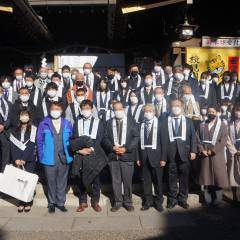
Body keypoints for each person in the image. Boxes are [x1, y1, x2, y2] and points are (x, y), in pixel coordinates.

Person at [102, 101, 139, 212]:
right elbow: (104, 138)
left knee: (127, 181)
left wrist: (126, 149)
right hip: (113, 157)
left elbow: (136, 137)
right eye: (115, 109)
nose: (118, 111)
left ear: (123, 109)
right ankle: (117, 202)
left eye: (120, 109)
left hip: (127, 156)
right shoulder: (108, 123)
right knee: (116, 181)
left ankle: (128, 202)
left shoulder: (131, 122)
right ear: (113, 111)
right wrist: (112, 147)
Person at [71, 100, 107, 212]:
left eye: (87, 108)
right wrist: (80, 150)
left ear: (91, 109)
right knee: (81, 178)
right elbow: (74, 138)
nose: (85, 110)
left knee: (95, 178)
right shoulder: (77, 122)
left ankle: (95, 201)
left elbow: (100, 138)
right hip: (81, 154)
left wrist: (90, 149)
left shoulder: (98, 122)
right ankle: (83, 202)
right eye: (83, 108)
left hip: (94, 153)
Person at [161, 98, 197, 209]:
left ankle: (182, 199)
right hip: (170, 154)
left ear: (182, 107)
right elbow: (163, 139)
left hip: (185, 153)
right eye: (173, 105)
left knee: (184, 178)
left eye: (178, 105)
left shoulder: (188, 120)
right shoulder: (165, 120)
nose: (175, 108)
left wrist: (193, 150)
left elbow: (192, 137)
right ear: (170, 107)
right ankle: (172, 200)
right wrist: (163, 156)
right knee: (171, 178)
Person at [37, 101, 73, 213]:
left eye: (58, 109)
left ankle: (60, 203)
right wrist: (41, 155)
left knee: (62, 181)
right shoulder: (44, 123)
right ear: (49, 110)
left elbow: (71, 139)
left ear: (62, 111)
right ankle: (52, 203)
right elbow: (39, 141)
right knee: (51, 181)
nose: (55, 111)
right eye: (53, 109)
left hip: (64, 157)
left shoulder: (67, 123)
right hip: (49, 157)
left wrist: (70, 155)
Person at [197, 105, 229, 207]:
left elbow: (223, 140)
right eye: (209, 112)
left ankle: (218, 198)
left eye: (213, 112)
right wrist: (201, 150)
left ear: (217, 113)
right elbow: (197, 139)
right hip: (205, 154)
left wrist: (214, 150)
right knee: (206, 176)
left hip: (217, 154)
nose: (211, 113)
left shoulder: (222, 125)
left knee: (217, 175)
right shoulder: (202, 125)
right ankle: (208, 197)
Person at [137, 104, 166, 212]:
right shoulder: (141, 125)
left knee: (158, 181)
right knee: (146, 181)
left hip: (157, 158)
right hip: (144, 157)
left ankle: (159, 202)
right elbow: (138, 143)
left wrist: (163, 158)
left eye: (149, 111)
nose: (147, 113)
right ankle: (148, 201)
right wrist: (138, 157)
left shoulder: (161, 124)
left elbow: (164, 142)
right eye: (145, 111)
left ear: (154, 112)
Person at [10, 109, 37, 212]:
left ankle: (28, 202)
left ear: (29, 117)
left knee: (28, 182)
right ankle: (21, 202)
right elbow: (12, 145)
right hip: (17, 160)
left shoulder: (33, 129)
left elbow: (31, 145)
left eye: (26, 115)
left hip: (28, 160)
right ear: (19, 116)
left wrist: (24, 159)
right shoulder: (15, 129)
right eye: (22, 115)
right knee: (20, 181)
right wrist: (16, 158)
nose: (24, 117)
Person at [226, 104, 240, 205]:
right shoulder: (229, 125)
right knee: (233, 175)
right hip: (233, 154)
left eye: (239, 110)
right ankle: (235, 196)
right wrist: (234, 151)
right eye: (236, 110)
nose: (238, 112)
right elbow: (227, 139)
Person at [0, 86, 12, 172]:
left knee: (5, 154)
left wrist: (4, 125)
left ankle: (4, 172)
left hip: (5, 132)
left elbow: (12, 117)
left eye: (0, 91)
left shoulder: (9, 103)